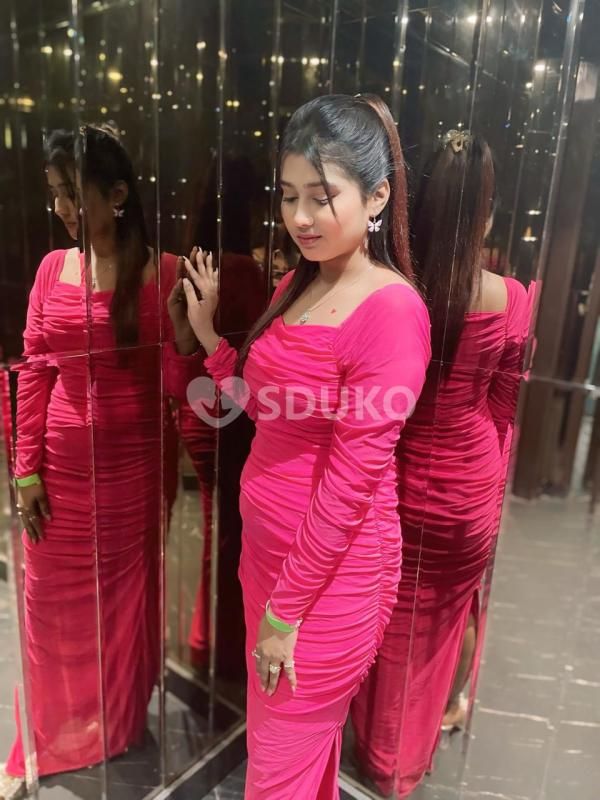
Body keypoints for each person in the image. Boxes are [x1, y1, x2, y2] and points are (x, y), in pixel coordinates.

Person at [180, 93, 431, 799]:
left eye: (321, 198)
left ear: (377, 195)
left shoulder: (392, 311)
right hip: (269, 561)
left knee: (276, 771)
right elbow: (263, 408)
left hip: (328, 585)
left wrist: (285, 613)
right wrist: (210, 336)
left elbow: (351, 485)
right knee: (285, 755)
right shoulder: (299, 282)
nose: (299, 217)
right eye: (289, 196)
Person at [0, 125, 201, 797]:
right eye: (54, 194)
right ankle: (48, 734)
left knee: (121, 606)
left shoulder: (164, 271)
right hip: (59, 470)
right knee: (48, 605)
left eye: (72, 194)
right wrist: (24, 470)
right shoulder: (52, 269)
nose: (61, 209)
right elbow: (33, 373)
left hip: (134, 473)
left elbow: (179, 389)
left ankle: (113, 726)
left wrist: (184, 337)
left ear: (116, 195)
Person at [351, 131, 532, 797]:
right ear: (486, 211)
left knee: (382, 617)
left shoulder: (392, 291)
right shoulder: (512, 299)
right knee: (436, 632)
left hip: (394, 483)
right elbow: (504, 410)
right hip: (467, 492)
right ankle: (401, 758)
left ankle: (369, 743)